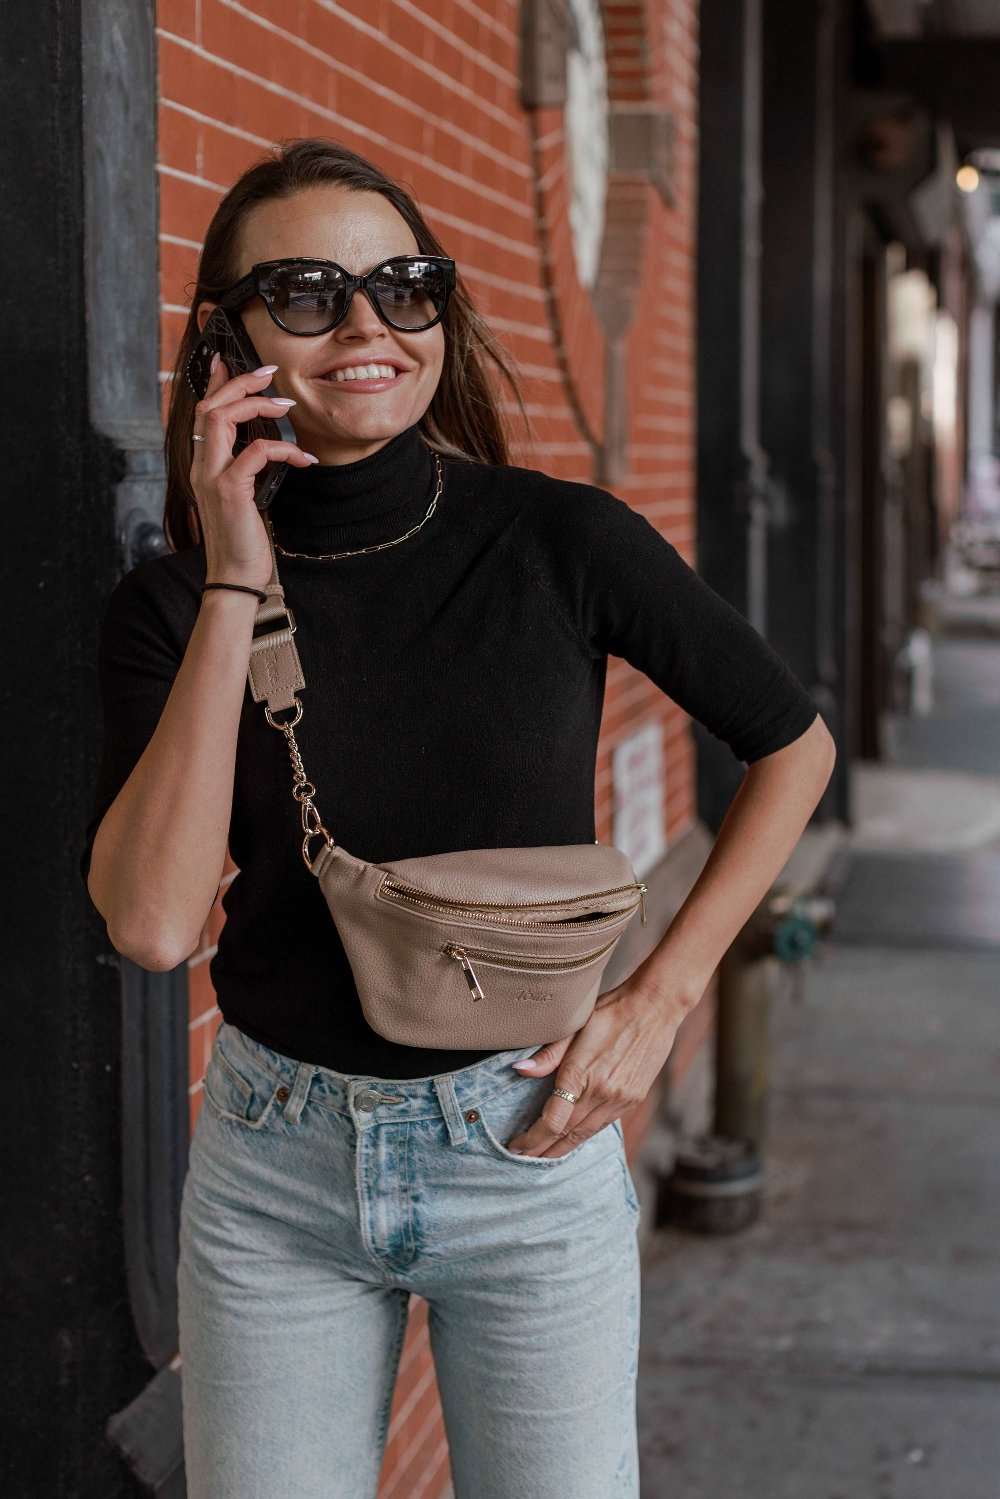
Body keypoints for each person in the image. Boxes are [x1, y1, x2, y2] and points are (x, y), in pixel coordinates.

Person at [80, 137, 835, 1499]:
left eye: (402, 285)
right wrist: (234, 579)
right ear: (229, 342)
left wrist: (659, 1001)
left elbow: (793, 746)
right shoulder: (171, 606)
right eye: (306, 294)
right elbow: (151, 924)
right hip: (275, 1169)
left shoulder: (559, 541)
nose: (366, 326)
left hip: (527, 1143)